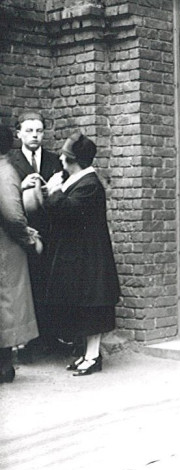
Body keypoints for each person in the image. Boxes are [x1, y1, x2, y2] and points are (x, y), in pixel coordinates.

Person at [43, 133, 120, 376]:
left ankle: (93, 357)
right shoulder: (79, 181)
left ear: (70, 159)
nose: (61, 161)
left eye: (64, 157)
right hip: (81, 256)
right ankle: (86, 355)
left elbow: (68, 212)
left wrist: (54, 191)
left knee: (92, 308)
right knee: (83, 307)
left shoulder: (88, 185)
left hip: (89, 257)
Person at [9, 111, 62, 358]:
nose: (34, 135)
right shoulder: (9, 162)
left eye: (39, 130)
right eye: (29, 130)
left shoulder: (54, 160)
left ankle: (50, 339)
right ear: (18, 133)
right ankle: (26, 345)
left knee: (49, 285)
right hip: (21, 236)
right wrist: (21, 188)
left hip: (51, 233)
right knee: (25, 289)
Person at [0, 125, 43, 383]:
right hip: (5, 248)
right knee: (7, 304)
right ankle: (4, 366)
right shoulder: (5, 172)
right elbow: (13, 215)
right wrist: (29, 238)